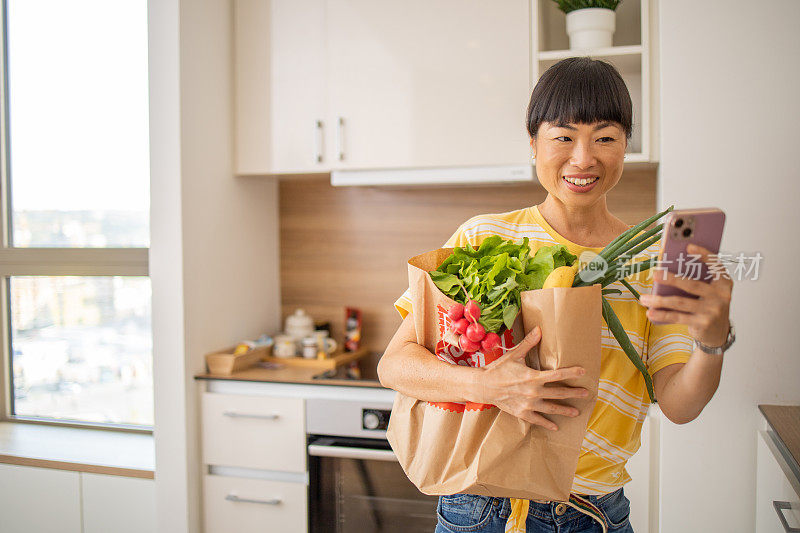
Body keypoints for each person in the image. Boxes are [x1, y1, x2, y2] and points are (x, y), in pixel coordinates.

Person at [377, 57, 734, 533]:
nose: (583, 158)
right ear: (533, 144)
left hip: (591, 514)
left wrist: (712, 342)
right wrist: (491, 387)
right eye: (563, 136)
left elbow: (679, 406)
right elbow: (395, 366)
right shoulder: (483, 237)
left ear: (626, 145)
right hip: (477, 506)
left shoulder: (652, 262)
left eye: (604, 138)